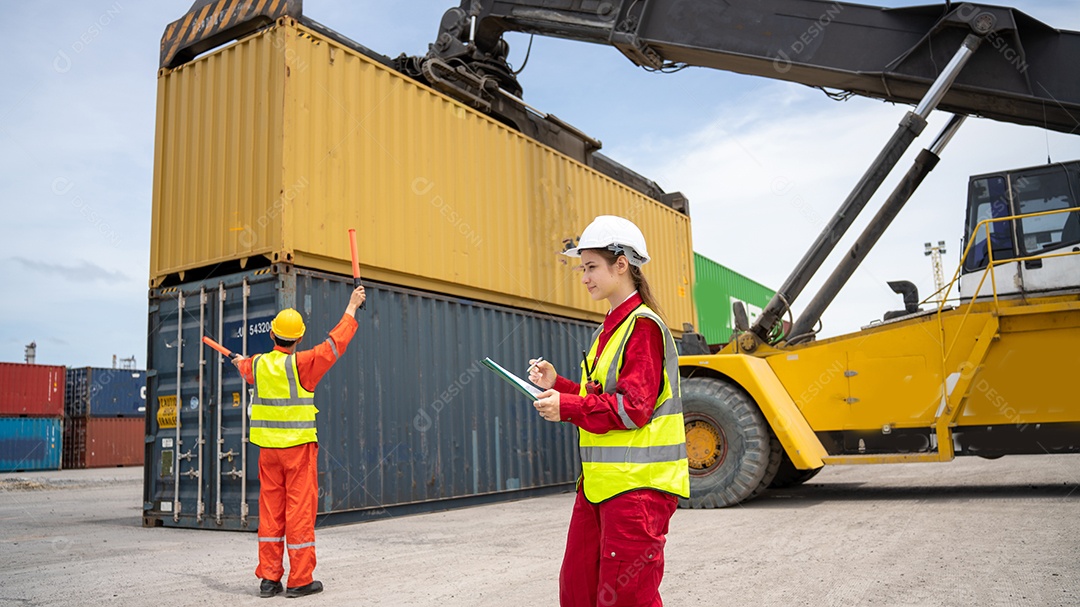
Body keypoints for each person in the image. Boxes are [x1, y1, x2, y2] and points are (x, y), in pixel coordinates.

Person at [529, 216, 689, 607]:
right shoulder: (608, 330)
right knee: (578, 591)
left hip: (637, 490)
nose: (584, 277)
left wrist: (566, 406)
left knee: (625, 599)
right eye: (582, 268)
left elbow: (633, 409)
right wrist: (560, 386)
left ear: (622, 264)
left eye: (591, 267)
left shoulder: (643, 327)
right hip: (601, 486)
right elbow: (599, 397)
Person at [232, 285, 366, 598]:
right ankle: (300, 580)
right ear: (300, 338)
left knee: (271, 514)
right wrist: (351, 306)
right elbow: (335, 345)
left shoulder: (259, 365)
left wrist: (239, 360)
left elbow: (245, 366)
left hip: (268, 454)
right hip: (299, 451)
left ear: (272, 336)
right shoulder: (302, 364)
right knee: (299, 513)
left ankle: (268, 579)